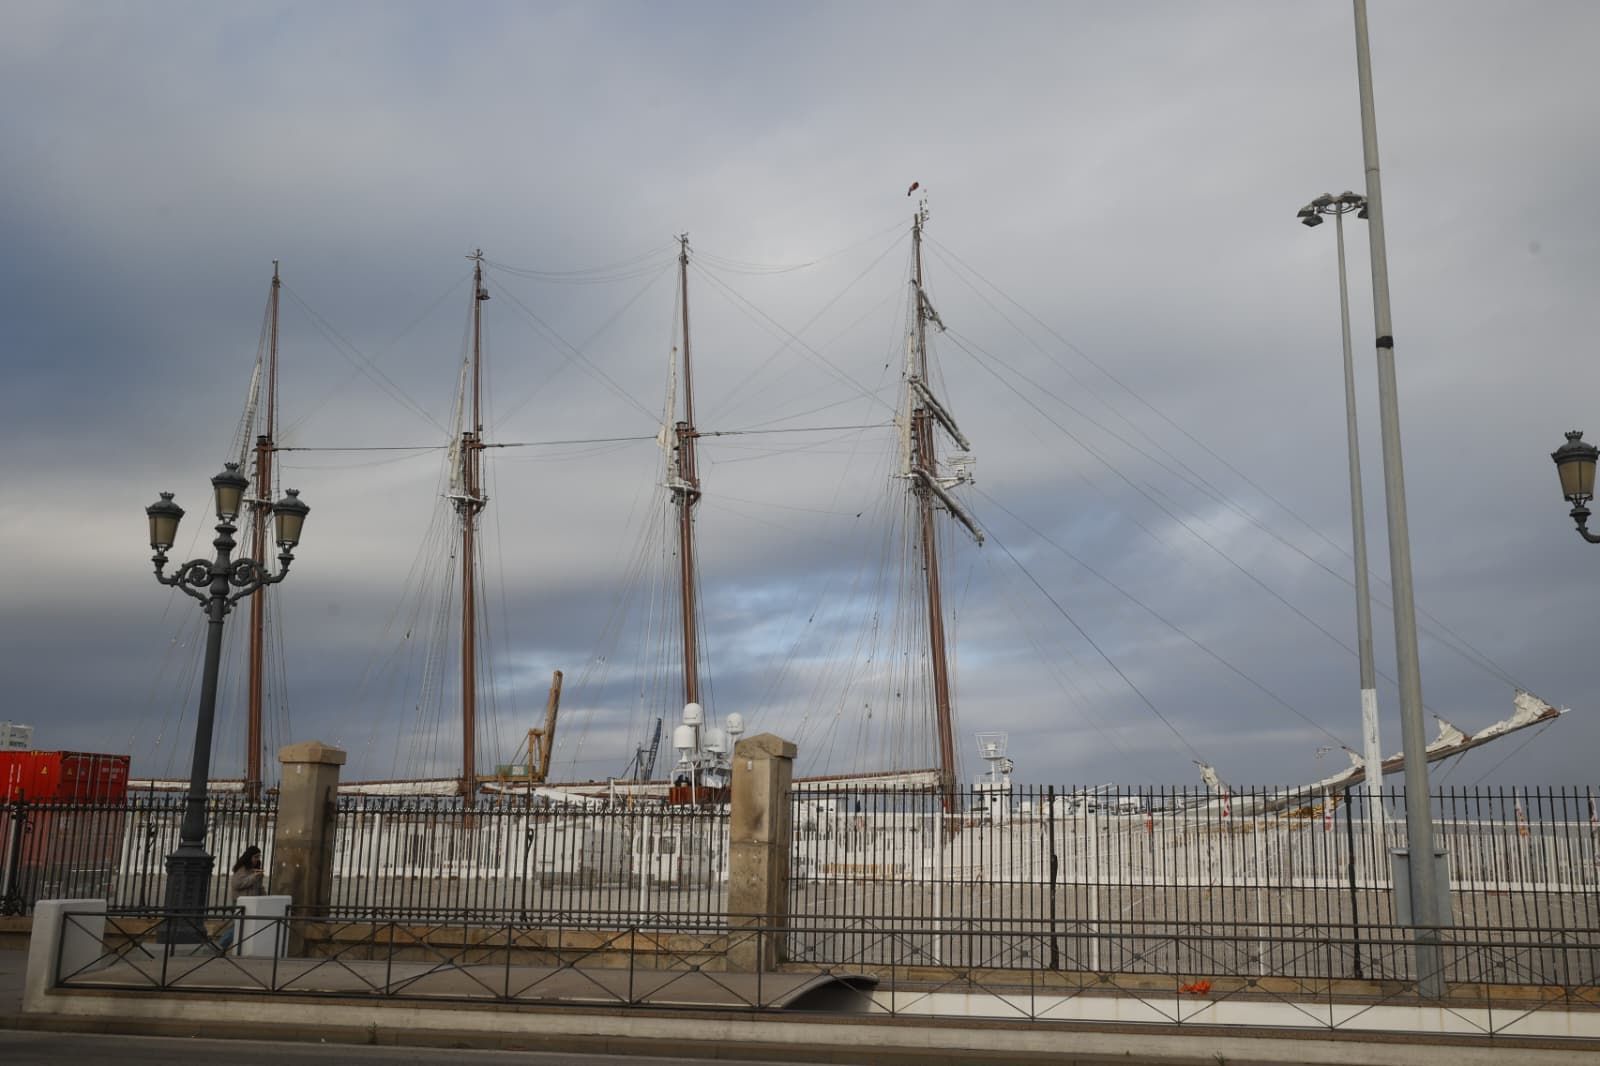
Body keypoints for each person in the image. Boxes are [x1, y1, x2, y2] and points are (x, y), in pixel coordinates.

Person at [215, 845, 264, 952]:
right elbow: (238, 884)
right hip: (240, 903)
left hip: (251, 904)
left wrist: (264, 898)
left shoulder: (254, 870)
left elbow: (259, 888)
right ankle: (221, 945)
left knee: (241, 926)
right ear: (249, 857)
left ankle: (224, 946)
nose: (257, 859)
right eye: (255, 857)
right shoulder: (241, 870)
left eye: (258, 857)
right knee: (238, 926)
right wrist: (253, 877)